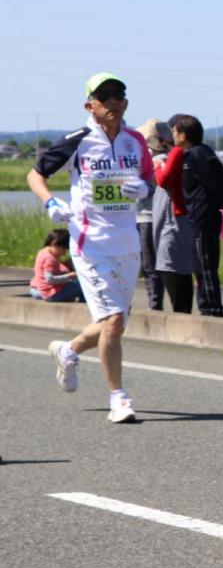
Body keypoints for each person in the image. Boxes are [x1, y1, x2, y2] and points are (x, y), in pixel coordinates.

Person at [26, 72, 154, 423]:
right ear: (90, 105)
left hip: (127, 242)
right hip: (89, 243)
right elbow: (35, 175)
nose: (113, 101)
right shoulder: (77, 141)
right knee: (112, 321)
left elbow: (150, 178)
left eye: (119, 95)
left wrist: (143, 189)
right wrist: (51, 203)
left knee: (115, 323)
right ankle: (119, 398)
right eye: (105, 96)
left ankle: (68, 349)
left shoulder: (135, 141)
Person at [173, 115, 223, 316]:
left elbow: (219, 185)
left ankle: (212, 308)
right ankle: (207, 305)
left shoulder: (199, 154)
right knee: (201, 264)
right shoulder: (193, 154)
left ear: (182, 135)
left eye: (174, 131)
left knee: (205, 264)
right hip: (198, 218)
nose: (173, 135)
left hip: (203, 218)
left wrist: (221, 210)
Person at [150, 124, 197, 312]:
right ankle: (182, 310)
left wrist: (157, 168)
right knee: (175, 265)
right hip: (175, 218)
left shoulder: (177, 153)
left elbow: (164, 178)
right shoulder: (186, 155)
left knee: (169, 264)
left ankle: (181, 312)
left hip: (173, 218)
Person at [135, 119, 171, 310]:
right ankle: (155, 303)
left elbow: (151, 187)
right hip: (153, 216)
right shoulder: (167, 158)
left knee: (150, 265)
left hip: (147, 216)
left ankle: (155, 305)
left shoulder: (158, 161)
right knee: (155, 264)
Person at [29, 228, 84, 303]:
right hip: (52, 294)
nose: (65, 253)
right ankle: (84, 302)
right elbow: (50, 280)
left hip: (46, 291)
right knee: (82, 285)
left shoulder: (42, 252)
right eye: (64, 249)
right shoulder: (49, 258)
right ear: (54, 244)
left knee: (76, 284)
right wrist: (69, 276)